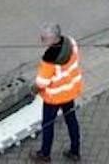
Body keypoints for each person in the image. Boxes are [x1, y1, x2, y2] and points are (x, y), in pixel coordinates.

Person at [33, 23, 83, 159]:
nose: (42, 41)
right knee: (71, 120)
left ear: (53, 38)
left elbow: (42, 83)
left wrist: (34, 90)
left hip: (53, 97)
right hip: (69, 92)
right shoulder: (70, 42)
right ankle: (75, 150)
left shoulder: (49, 58)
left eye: (44, 38)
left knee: (48, 125)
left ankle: (45, 154)